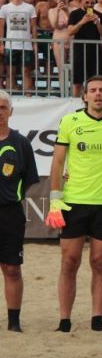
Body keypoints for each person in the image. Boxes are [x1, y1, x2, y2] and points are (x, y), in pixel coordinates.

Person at [46, 76, 102, 333]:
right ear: (84, 96)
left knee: (100, 262)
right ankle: (64, 320)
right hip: (74, 201)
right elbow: (57, 163)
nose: (98, 94)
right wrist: (55, 199)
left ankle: (97, 319)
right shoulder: (70, 122)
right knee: (69, 261)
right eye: (93, 91)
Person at [0, 91, 38, 332]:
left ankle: (14, 322)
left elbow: (29, 180)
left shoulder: (21, 143)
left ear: (11, 111)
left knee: (12, 268)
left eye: (3, 107)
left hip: (9, 214)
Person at [67, 0, 102, 96]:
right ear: (81, 1)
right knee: (77, 82)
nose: (90, 5)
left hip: (95, 52)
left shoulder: (99, 15)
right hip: (79, 51)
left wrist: (98, 23)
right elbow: (70, 31)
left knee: (96, 81)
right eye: (87, 2)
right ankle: (74, 103)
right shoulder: (75, 14)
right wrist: (82, 22)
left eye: (92, 3)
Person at [0, 0, 37, 95]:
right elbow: (1, 26)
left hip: (26, 44)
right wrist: (1, 43)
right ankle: (9, 95)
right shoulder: (5, 8)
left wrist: (34, 43)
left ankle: (28, 95)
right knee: (10, 71)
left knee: (26, 71)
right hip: (10, 44)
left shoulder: (30, 7)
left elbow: (34, 26)